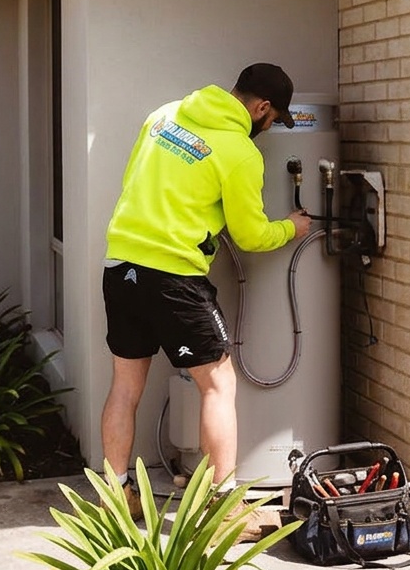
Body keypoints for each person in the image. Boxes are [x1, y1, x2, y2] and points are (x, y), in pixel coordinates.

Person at [99, 62, 312, 522]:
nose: (269, 128)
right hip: (172, 276)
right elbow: (252, 234)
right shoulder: (239, 152)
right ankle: (224, 511)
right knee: (218, 384)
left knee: (124, 385)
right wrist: (291, 228)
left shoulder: (165, 115)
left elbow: (135, 181)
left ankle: (116, 496)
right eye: (273, 121)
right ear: (261, 107)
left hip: (120, 265)